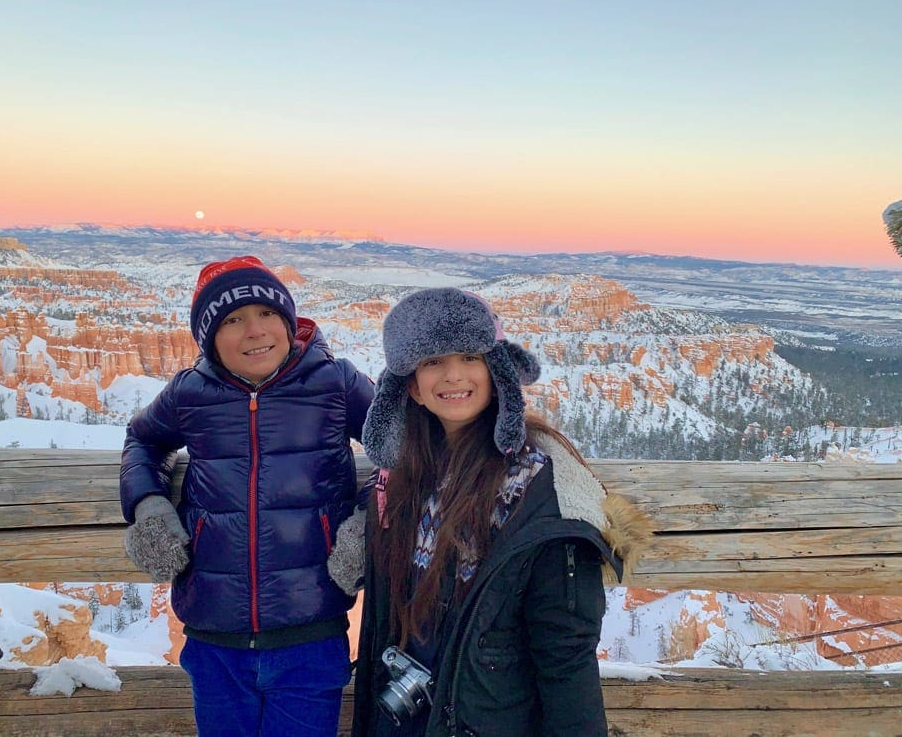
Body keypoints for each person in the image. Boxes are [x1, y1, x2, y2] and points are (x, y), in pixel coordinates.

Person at [328, 287, 652, 737]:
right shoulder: (404, 474)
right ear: (413, 389)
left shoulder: (538, 490)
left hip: (485, 718)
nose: (452, 376)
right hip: (406, 711)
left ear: (496, 370)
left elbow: (565, 657)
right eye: (431, 362)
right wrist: (363, 527)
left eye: (468, 357)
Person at [120, 255, 375, 737]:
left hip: (311, 632)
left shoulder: (335, 382)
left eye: (266, 314)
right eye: (233, 320)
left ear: (287, 320)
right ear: (209, 337)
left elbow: (407, 450)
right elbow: (143, 440)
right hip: (213, 637)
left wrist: (366, 521)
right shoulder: (189, 392)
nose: (254, 331)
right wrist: (149, 505)